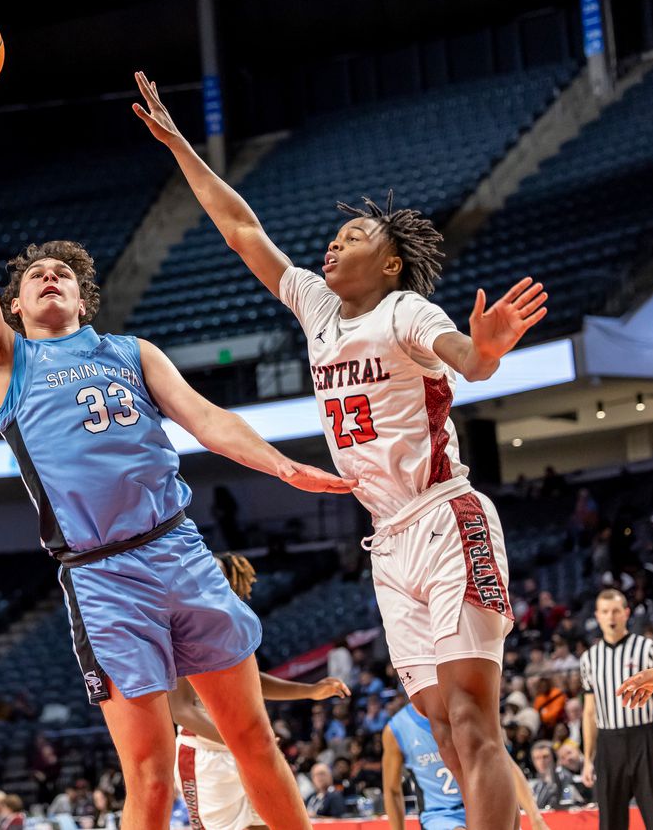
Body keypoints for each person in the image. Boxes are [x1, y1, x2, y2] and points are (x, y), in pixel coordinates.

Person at [0, 81, 355, 830]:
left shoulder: (132, 352)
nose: (48, 276)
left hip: (179, 547)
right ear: (15, 306)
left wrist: (280, 464)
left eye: (61, 274)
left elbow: (207, 418)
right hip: (101, 575)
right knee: (149, 777)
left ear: (84, 300)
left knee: (252, 739)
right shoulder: (5, 363)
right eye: (33, 277)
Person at [135, 69, 546, 830]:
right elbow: (243, 231)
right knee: (443, 728)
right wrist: (181, 147)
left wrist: (485, 353)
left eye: (355, 236)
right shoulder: (319, 308)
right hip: (387, 540)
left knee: (472, 718)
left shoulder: (403, 308)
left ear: (389, 263)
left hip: (445, 517)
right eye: (336, 233)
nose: (335, 240)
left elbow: (464, 354)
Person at [171, 553, 350, 830]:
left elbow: (253, 681)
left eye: (219, 575)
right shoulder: (182, 627)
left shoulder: (232, 626)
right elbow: (181, 709)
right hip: (205, 753)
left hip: (244, 748)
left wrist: (310, 691)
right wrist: (240, 741)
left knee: (267, 825)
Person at [579, 588, 653, 830]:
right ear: (598, 615)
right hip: (607, 743)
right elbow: (589, 712)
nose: (611, 617)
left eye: (616, 611)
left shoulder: (647, 648)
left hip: (645, 738)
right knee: (610, 823)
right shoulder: (589, 659)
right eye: (605, 612)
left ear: (626, 613)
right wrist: (587, 759)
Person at [383, 702, 549, 830]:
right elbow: (391, 790)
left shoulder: (466, 712)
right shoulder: (397, 728)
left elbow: (506, 765)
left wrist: (536, 819)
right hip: (441, 816)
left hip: (485, 804)